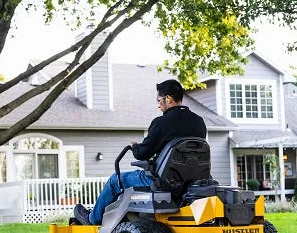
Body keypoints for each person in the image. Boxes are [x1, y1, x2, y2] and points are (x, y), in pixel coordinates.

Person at [74, 79, 207, 225]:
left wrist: (135, 146)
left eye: (159, 100)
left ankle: (93, 219)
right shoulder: (199, 122)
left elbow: (142, 153)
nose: (158, 105)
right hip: (192, 181)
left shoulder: (161, 123)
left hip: (162, 181)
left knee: (114, 180)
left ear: (167, 99)